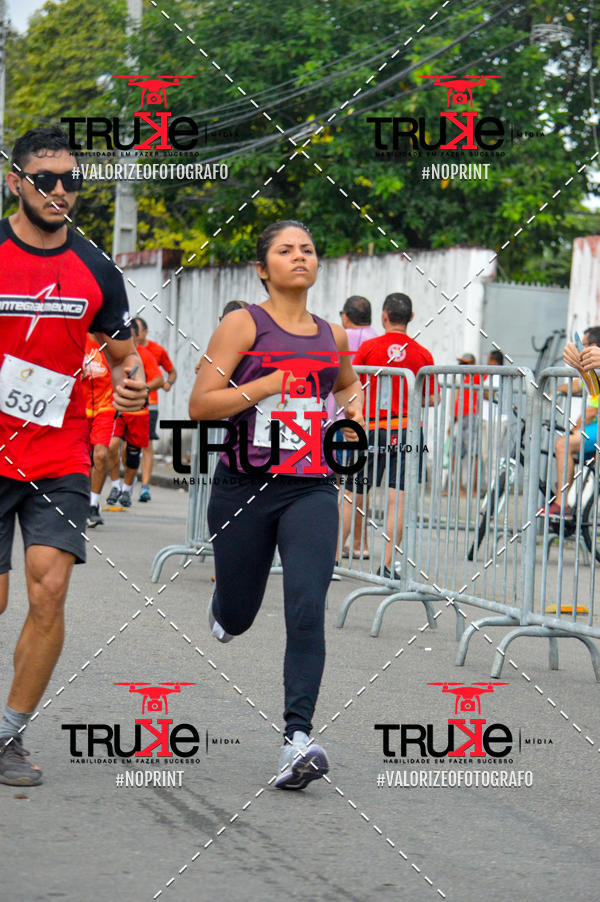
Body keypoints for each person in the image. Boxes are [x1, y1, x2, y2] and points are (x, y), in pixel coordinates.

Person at [189, 220, 364, 789]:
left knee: (307, 604)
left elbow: (345, 387)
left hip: (310, 485)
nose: (299, 257)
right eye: (285, 250)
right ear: (262, 268)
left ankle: (297, 739)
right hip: (243, 487)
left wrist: (353, 422)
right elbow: (200, 405)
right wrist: (265, 387)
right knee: (239, 613)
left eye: (308, 249)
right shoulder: (244, 324)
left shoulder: (330, 333)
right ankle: (225, 604)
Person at [0, 126, 147, 786]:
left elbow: (124, 354)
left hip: (58, 453)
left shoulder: (97, 268)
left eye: (71, 180)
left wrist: (133, 378)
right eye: (46, 178)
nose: (61, 190)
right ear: (15, 182)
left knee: (50, 588)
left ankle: (8, 733)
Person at [344, 293, 435, 578]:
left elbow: (351, 385)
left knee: (352, 493)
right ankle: (386, 565)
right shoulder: (422, 354)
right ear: (411, 318)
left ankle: (332, 560)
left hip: (370, 429)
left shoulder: (370, 348)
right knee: (398, 499)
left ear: (384, 316)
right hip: (406, 431)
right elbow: (432, 399)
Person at [331, 296, 378, 557]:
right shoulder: (376, 339)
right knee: (360, 484)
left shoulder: (341, 338)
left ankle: (334, 549)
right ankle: (361, 544)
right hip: (368, 419)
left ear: (346, 316)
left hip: (342, 419)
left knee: (343, 486)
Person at [106, 320, 164, 507]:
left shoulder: (144, 355)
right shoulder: (108, 352)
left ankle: (127, 489)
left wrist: (141, 388)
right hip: (116, 410)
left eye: (128, 335)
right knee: (111, 446)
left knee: (131, 453)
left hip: (139, 413)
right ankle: (115, 484)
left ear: (135, 336)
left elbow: (159, 379)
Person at [547, 328, 600, 517]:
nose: (580, 348)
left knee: (563, 445)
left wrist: (577, 428)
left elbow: (592, 409)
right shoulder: (593, 370)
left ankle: (562, 505)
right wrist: (553, 390)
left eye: (583, 345)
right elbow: (580, 385)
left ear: (593, 347)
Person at [132, 316, 177, 502]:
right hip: (130, 405)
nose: (134, 335)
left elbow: (171, 371)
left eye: (137, 332)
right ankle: (127, 483)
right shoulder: (125, 349)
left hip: (150, 404)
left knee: (147, 444)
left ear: (144, 332)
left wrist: (168, 383)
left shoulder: (155, 351)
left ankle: (145, 486)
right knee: (128, 445)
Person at [82, 334, 115, 527]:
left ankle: (93, 504)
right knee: (81, 461)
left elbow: (124, 362)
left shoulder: (112, 342)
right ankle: (81, 499)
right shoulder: (75, 336)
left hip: (104, 408)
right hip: (78, 409)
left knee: (101, 455)